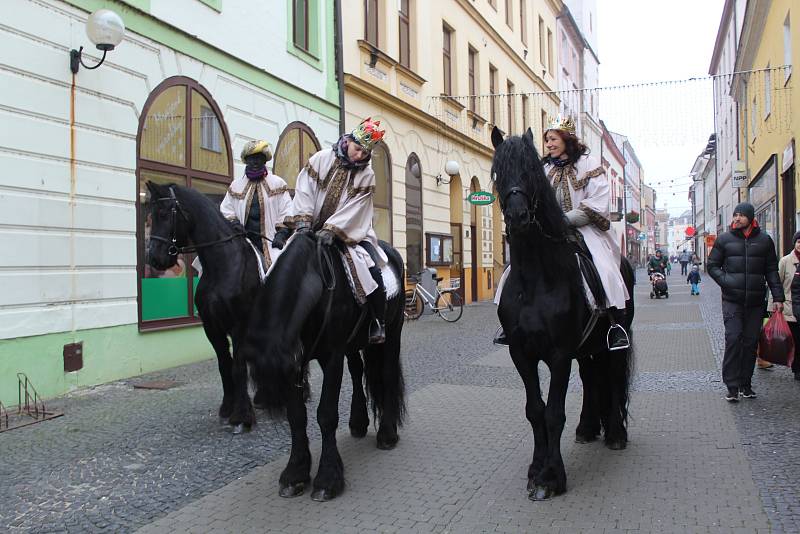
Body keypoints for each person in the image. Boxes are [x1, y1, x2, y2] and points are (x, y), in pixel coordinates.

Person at [493, 115, 631, 350]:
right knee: (511, 272)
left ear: (567, 139)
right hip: (547, 233)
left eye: (553, 139)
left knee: (605, 268)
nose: (549, 144)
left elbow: (598, 202)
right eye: (546, 140)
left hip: (584, 229)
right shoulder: (543, 167)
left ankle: (613, 324)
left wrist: (564, 220)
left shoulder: (588, 164)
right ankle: (510, 323)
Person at [290, 117, 388, 344]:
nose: (360, 156)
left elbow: (358, 208)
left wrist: (334, 230)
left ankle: (378, 320)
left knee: (370, 267)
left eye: (365, 153)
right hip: (310, 229)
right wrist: (304, 222)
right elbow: (305, 189)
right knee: (281, 260)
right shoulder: (321, 158)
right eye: (357, 149)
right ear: (349, 141)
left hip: (350, 234)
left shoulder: (367, 174)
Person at [706, 202, 784, 402]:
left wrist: (778, 297)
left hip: (756, 301)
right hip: (732, 300)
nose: (736, 218)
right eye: (734, 215)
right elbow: (712, 265)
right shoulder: (724, 240)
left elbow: (772, 271)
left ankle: (745, 384)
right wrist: (726, 281)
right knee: (733, 339)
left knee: (750, 343)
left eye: (740, 215)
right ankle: (732, 386)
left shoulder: (765, 241)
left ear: (750, 217)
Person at [219, 140, 293, 270]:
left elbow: (287, 211)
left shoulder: (278, 183)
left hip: (271, 243)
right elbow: (226, 210)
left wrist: (281, 235)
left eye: (258, 158)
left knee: (284, 271)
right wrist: (235, 225)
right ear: (246, 161)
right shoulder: (236, 186)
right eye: (251, 158)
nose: (255, 162)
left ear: (265, 161)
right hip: (243, 243)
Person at [773, 230, 800, 379]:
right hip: (790, 309)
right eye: (798, 241)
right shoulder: (785, 261)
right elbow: (777, 284)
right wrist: (773, 307)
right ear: (794, 243)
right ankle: (797, 368)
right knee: (796, 340)